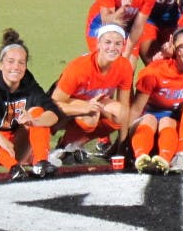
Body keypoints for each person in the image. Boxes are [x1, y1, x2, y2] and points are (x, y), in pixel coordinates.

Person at [0, 28, 60, 180]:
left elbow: (53, 113)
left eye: (21, 62)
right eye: (10, 61)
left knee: (38, 111)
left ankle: (41, 163)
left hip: (14, 149)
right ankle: (13, 168)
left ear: (26, 66)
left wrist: (35, 121)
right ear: (0, 65)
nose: (16, 67)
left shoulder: (30, 86)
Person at [49, 24, 134, 166]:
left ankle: (71, 145)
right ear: (98, 44)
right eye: (107, 42)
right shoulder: (79, 67)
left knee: (119, 113)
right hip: (65, 107)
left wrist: (122, 147)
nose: (112, 47)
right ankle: (57, 148)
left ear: (123, 46)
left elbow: (124, 109)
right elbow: (54, 102)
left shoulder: (124, 66)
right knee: (92, 114)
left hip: (93, 106)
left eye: (118, 43)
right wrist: (85, 108)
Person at [128, 27, 183, 174]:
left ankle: (164, 159)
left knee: (167, 121)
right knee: (150, 118)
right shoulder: (155, 71)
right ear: (174, 49)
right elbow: (136, 109)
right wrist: (122, 144)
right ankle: (141, 157)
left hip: (171, 137)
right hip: (144, 130)